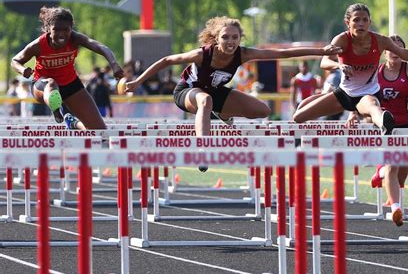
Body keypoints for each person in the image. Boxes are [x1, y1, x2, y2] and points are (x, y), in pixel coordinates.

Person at [125, 16, 342, 170]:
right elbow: (166, 60)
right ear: (216, 39)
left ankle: (223, 115)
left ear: (240, 39)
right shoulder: (202, 55)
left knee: (262, 110)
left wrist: (320, 51)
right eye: (226, 38)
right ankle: (203, 151)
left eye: (235, 38)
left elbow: (283, 53)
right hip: (188, 92)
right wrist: (137, 81)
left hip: (216, 92)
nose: (230, 42)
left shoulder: (243, 54)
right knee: (205, 100)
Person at [293, 3, 408, 135]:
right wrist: (339, 66)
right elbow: (324, 62)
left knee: (373, 107)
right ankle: (325, 98)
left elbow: (404, 53)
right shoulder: (342, 40)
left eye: (365, 20)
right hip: (345, 93)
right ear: (348, 23)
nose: (361, 24)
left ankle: (385, 124)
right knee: (298, 117)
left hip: (368, 93)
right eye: (356, 20)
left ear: (369, 22)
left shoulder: (380, 41)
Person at [348, 34, 408, 226]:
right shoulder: (375, 71)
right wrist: (352, 113)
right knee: (393, 164)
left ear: (403, 52)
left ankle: (381, 174)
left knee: (402, 171)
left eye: (399, 48)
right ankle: (396, 208)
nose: (395, 52)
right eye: (391, 48)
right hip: (384, 125)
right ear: (384, 52)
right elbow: (357, 94)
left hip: (406, 123)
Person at [11, 6, 123, 129]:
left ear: (71, 28)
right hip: (43, 86)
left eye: (66, 30)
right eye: (56, 30)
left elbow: (101, 47)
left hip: (71, 85)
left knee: (100, 130)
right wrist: (22, 70)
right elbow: (15, 60)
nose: (61, 34)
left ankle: (73, 123)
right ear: (48, 29)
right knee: (51, 83)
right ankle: (56, 108)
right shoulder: (38, 45)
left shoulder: (75, 39)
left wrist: (114, 65)